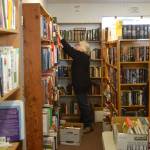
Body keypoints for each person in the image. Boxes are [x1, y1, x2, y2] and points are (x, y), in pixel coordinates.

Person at [58, 32, 93, 133]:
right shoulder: (82, 56)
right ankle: (84, 121)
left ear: (83, 48)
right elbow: (71, 52)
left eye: (78, 45)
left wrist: (61, 39)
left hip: (81, 85)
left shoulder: (82, 56)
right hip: (81, 84)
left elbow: (71, 51)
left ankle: (88, 125)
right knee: (83, 104)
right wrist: (62, 46)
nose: (76, 45)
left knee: (84, 105)